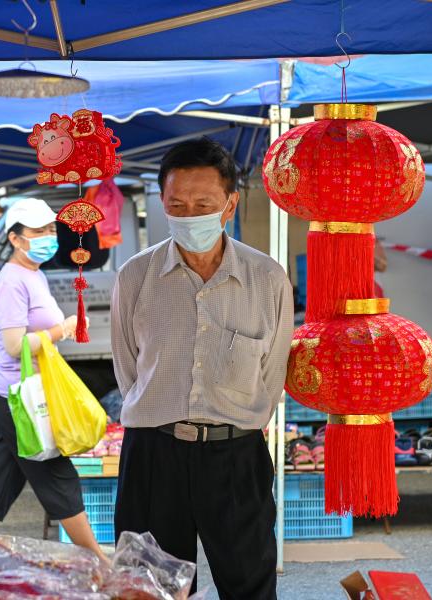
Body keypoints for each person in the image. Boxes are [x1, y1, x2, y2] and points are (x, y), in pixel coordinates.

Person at [111, 138, 294, 599]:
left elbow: (272, 374)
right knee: (148, 590)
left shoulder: (267, 279)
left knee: (249, 586)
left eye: (203, 204)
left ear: (230, 203)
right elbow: (128, 367)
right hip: (153, 453)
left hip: (235, 457)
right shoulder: (135, 277)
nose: (190, 215)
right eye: (177, 204)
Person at [0, 198, 105, 561]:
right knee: (56, 474)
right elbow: (14, 346)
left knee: (3, 480)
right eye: (38, 231)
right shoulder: (11, 282)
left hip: (25, 394)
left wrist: (63, 329)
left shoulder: (34, 274)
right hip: (21, 399)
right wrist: (62, 330)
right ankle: (99, 559)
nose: (48, 236)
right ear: (15, 239)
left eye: (50, 230)